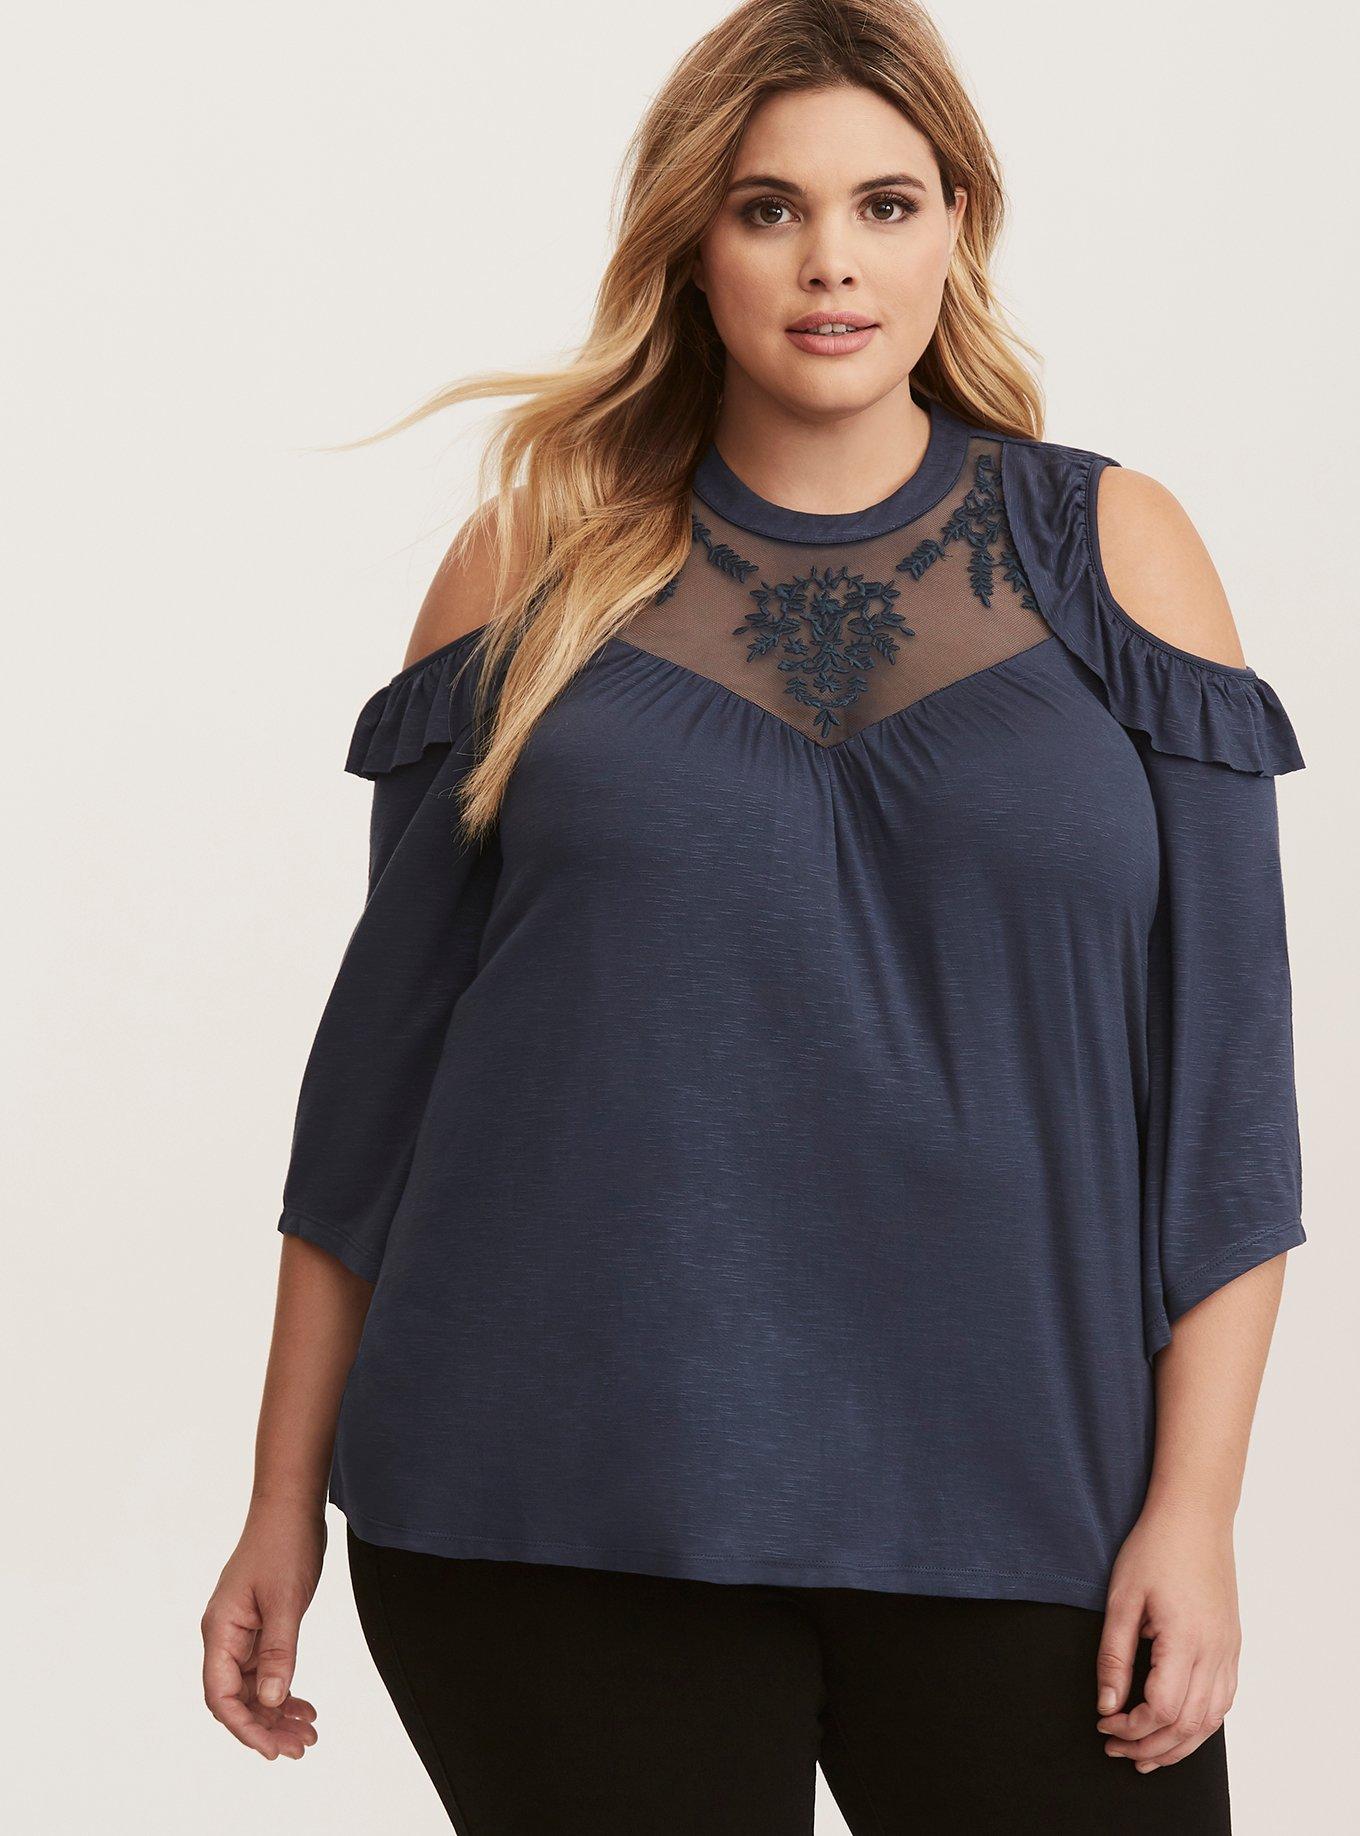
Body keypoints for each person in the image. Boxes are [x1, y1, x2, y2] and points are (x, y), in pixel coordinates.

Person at [200, 2, 1308, 1829]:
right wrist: (277, 1501)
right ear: (689, 242)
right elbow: (375, 1092)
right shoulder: (529, 567)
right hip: (550, 1501)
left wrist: (1195, 1513)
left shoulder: (1117, 554)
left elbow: (1229, 1100)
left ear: (959, 225)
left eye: (886, 204)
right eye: (768, 208)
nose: (831, 263)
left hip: (1029, 1499)